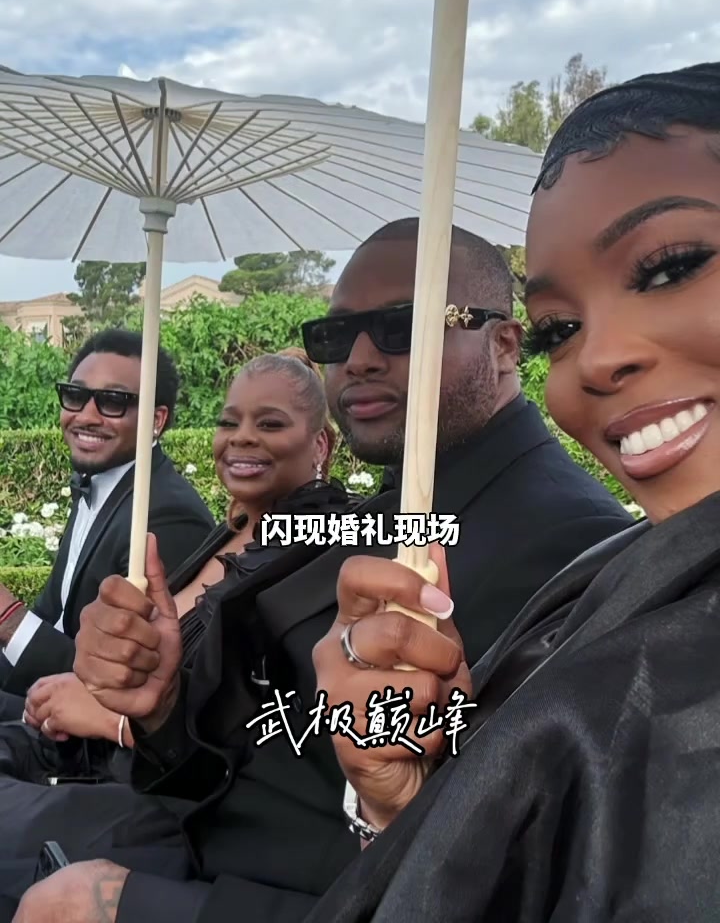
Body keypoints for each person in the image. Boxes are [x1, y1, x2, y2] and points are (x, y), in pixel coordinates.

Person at [17, 220, 633, 923]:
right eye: (336, 337)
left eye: (403, 326)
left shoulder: (568, 549)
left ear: (505, 344)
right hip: (171, 825)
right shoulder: (382, 512)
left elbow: (485, 876)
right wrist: (158, 703)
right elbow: (261, 750)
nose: (360, 359)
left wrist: (122, 903)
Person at [297, 62, 720, 923]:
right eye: (564, 329)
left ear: (501, 349)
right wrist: (403, 808)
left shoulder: (560, 542)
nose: (596, 359)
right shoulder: (606, 578)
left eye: (670, 267)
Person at [0, 349, 352, 881]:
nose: (241, 437)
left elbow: (267, 732)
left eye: (270, 424)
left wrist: (118, 721)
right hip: (86, 756)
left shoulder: (323, 550)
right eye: (228, 422)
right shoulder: (231, 531)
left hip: (166, 809)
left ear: (320, 444)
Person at [0, 329, 215, 720]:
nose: (85, 416)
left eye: (113, 401)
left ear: (156, 419)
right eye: (75, 396)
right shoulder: (100, 482)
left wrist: (7, 618)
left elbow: (118, 681)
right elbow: (52, 616)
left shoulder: (166, 517)